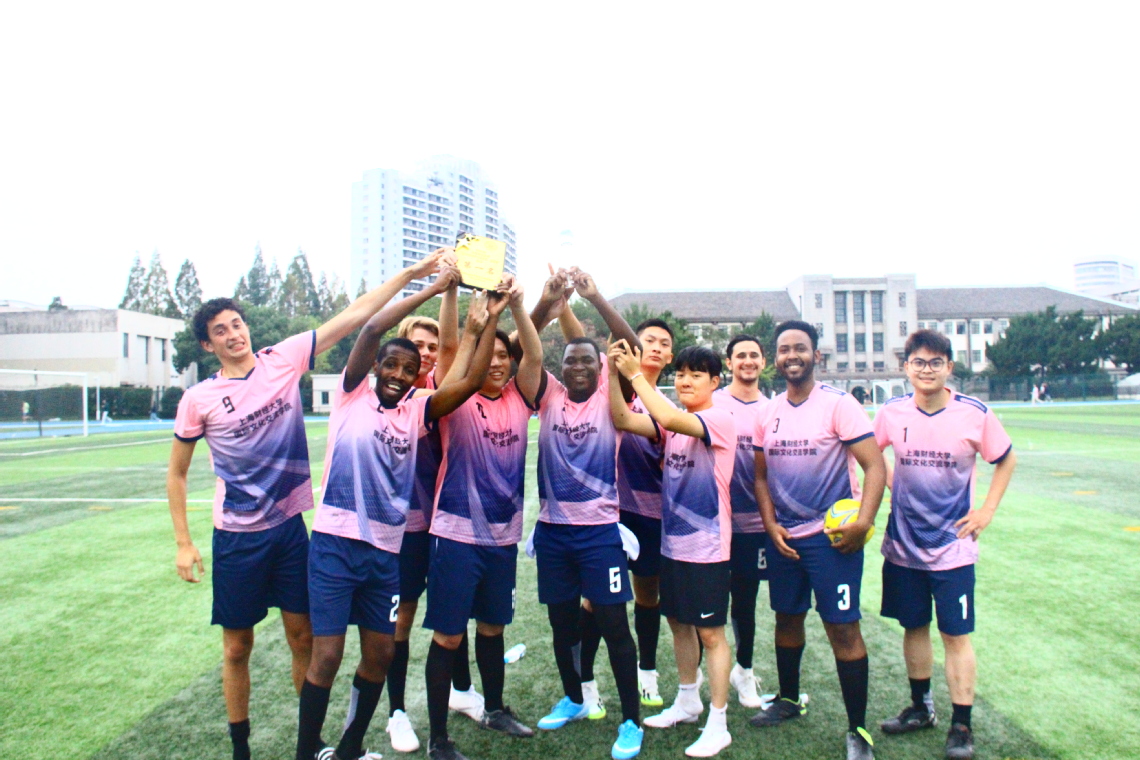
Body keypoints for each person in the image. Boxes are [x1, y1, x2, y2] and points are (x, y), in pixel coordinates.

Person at [167, 249, 451, 760]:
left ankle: (314, 746)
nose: (234, 334)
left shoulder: (282, 359)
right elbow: (178, 472)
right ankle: (241, 748)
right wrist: (184, 543)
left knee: (306, 641)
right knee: (237, 646)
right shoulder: (199, 399)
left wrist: (415, 275)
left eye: (237, 324)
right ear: (208, 345)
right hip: (237, 534)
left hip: (291, 529)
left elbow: (357, 316)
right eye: (221, 331)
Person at [294, 270, 501, 760]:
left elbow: (470, 381)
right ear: (376, 366)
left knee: (381, 653)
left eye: (409, 370)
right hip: (335, 544)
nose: (399, 375)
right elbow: (369, 328)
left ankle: (349, 749)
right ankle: (307, 752)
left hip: (385, 553)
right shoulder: (352, 395)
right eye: (391, 365)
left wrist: (487, 320)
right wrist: (431, 287)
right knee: (328, 655)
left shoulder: (417, 411)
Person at [874, 329, 1016, 760]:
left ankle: (961, 725)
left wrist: (987, 510)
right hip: (904, 545)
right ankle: (921, 708)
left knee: (955, 634)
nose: (927, 369)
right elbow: (868, 453)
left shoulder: (974, 413)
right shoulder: (891, 412)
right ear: (906, 367)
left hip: (953, 547)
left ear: (949, 367)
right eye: (919, 362)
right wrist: (890, 483)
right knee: (913, 626)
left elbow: (1006, 458)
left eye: (936, 362)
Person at [748, 320, 887, 760]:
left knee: (843, 628)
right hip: (785, 538)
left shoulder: (839, 405)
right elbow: (760, 477)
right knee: (787, 618)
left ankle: (857, 730)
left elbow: (875, 466)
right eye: (784, 349)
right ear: (775, 359)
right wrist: (771, 525)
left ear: (816, 356)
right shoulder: (768, 412)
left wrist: (863, 521)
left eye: (800, 348)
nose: (792, 355)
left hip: (832, 540)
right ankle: (789, 699)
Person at [421, 276, 544, 760]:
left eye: (502, 357)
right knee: (449, 635)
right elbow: (453, 352)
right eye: (487, 356)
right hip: (455, 535)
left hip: (502, 537)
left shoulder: (520, 396)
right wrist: (481, 319)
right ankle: (438, 738)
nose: (496, 363)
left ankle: (494, 708)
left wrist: (516, 306)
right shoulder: (457, 395)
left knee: (493, 627)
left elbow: (534, 355)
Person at [528, 270, 644, 760]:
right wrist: (545, 302)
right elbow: (524, 348)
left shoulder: (610, 398)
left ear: (601, 368)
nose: (577, 367)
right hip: (553, 533)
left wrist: (594, 297)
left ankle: (631, 719)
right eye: (569, 360)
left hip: (599, 533)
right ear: (560, 367)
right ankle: (575, 698)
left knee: (615, 626)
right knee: (562, 625)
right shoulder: (547, 395)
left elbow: (631, 346)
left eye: (586, 361)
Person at [610, 340, 736, 758]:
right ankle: (687, 700)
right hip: (673, 544)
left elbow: (664, 415)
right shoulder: (674, 425)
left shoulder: (718, 418)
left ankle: (718, 722)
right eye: (680, 374)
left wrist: (634, 374)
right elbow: (622, 418)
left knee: (711, 634)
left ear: (715, 382)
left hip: (707, 547)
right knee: (679, 624)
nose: (684, 381)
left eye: (696, 375)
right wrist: (613, 373)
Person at [387, 287, 484, 752]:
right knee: (402, 620)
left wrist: (452, 291)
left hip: (445, 521)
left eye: (429, 347)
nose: (426, 353)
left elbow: (451, 349)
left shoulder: (440, 389)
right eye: (417, 345)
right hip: (404, 527)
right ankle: (397, 713)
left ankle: (461, 691)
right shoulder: (392, 398)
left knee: (453, 612)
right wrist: (446, 288)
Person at [710, 334, 770, 708]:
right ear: (729, 363)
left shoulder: (774, 408)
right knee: (708, 605)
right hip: (714, 524)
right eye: (740, 355)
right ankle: (694, 680)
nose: (747, 361)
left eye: (754, 355)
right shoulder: (712, 402)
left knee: (745, 603)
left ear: (763, 362)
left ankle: (743, 672)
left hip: (754, 526)